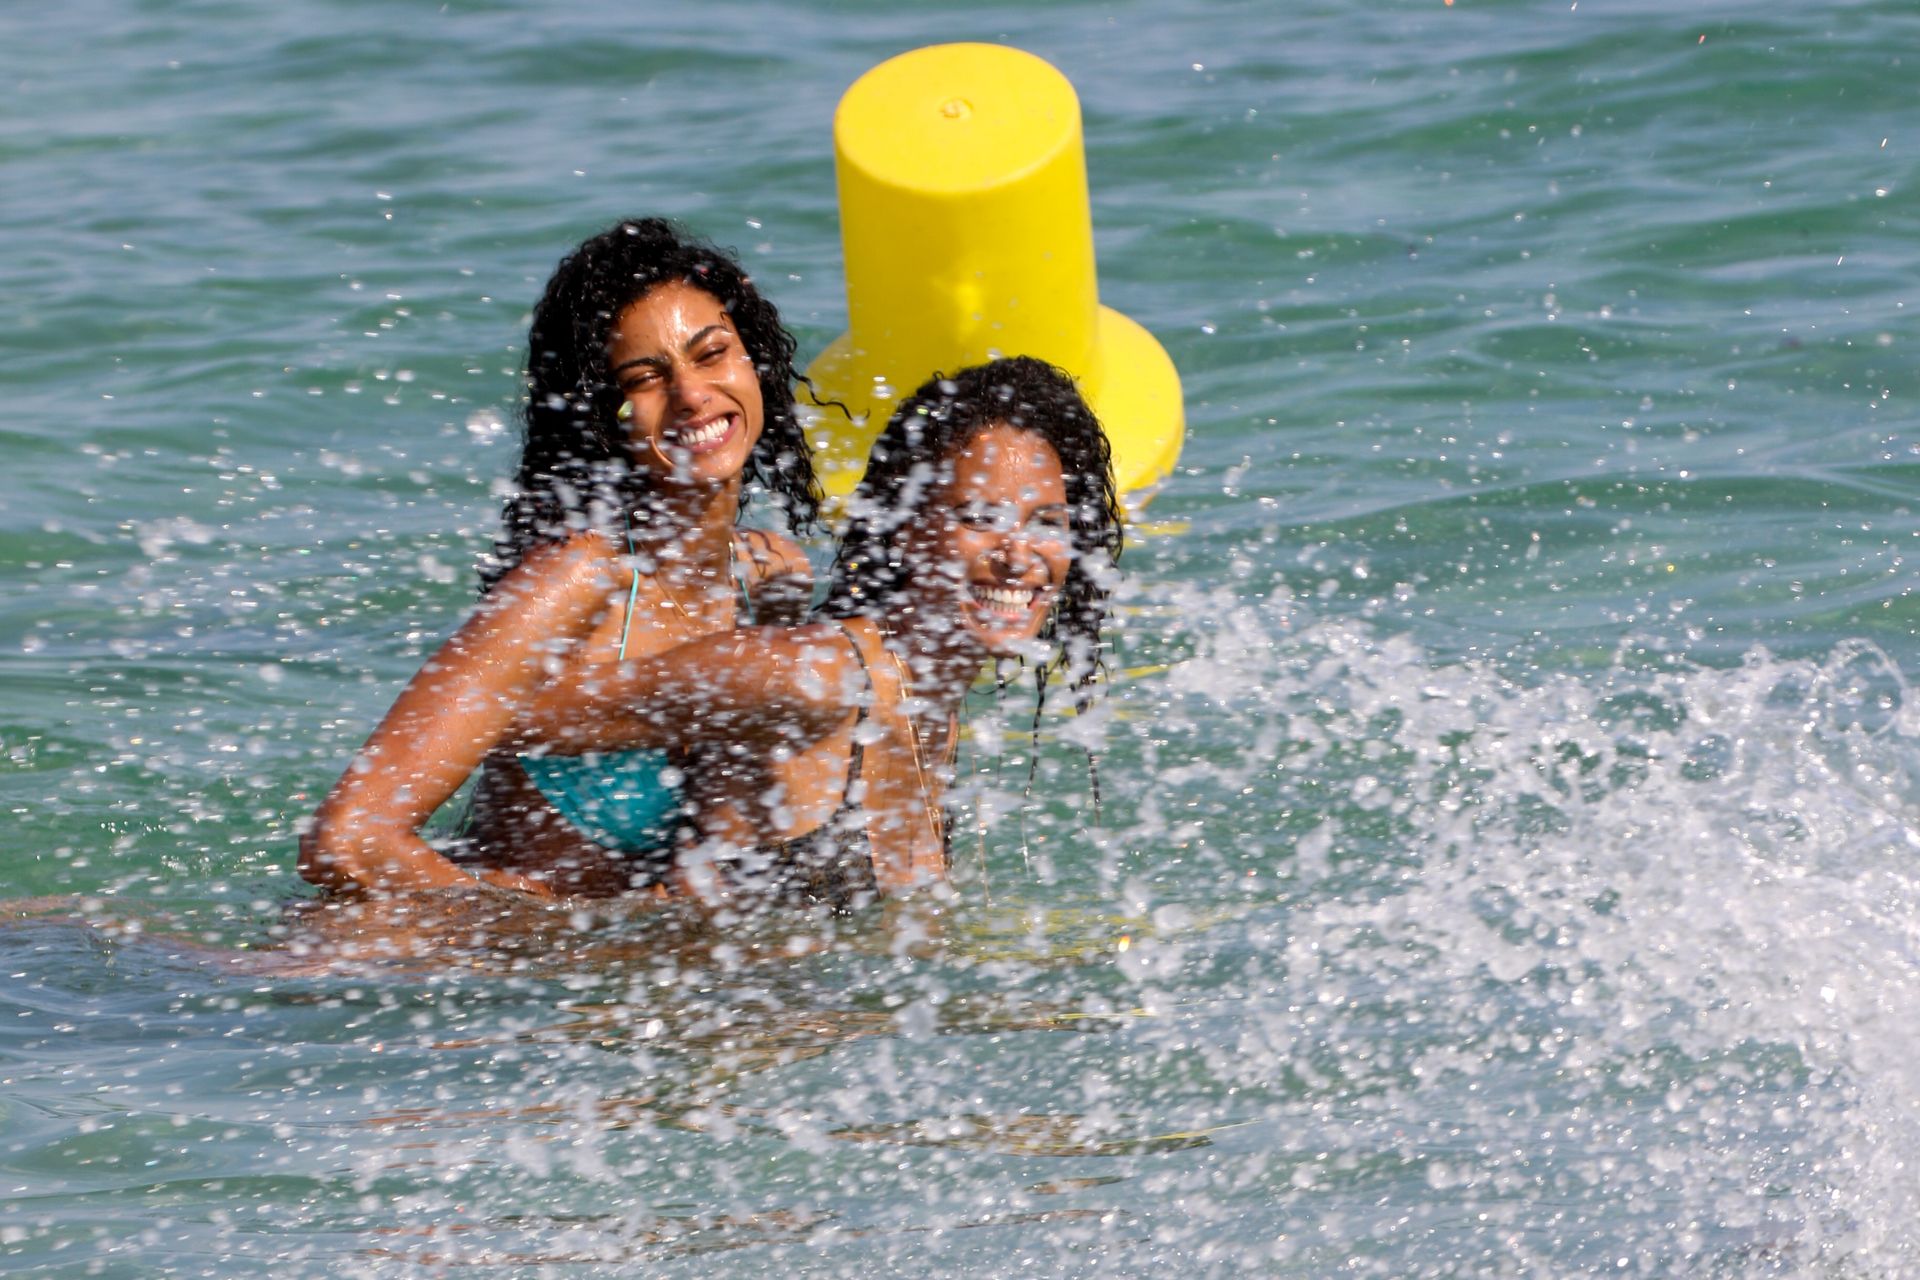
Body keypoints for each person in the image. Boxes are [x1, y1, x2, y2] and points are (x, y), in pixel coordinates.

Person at [299, 218, 821, 898]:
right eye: (646, 377)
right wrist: (579, 937)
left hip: (595, 988)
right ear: (604, 416)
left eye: (712, 354)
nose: (692, 394)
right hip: (417, 973)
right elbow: (348, 844)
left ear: (757, 361)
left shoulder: (773, 579)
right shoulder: (579, 579)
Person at [516, 356, 1124, 910]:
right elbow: (513, 716)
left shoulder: (930, 697)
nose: (1019, 556)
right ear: (906, 529)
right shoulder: (816, 678)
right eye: (979, 519)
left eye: (1046, 522)